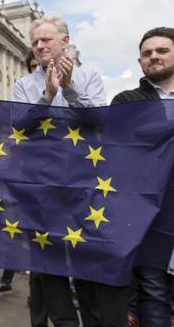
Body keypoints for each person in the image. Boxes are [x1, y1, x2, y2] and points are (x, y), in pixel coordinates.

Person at [13, 16, 133, 327]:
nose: (39, 46)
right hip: (40, 186)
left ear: (65, 41)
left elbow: (97, 119)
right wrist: (47, 97)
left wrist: (69, 88)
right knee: (49, 263)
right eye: (35, 41)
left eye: (46, 40)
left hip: (82, 184)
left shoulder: (88, 76)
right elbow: (18, 123)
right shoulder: (23, 85)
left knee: (84, 258)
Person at [112, 26, 174, 327]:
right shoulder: (127, 100)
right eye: (147, 53)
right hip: (150, 215)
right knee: (154, 294)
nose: (154, 57)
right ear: (140, 63)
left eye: (162, 51)